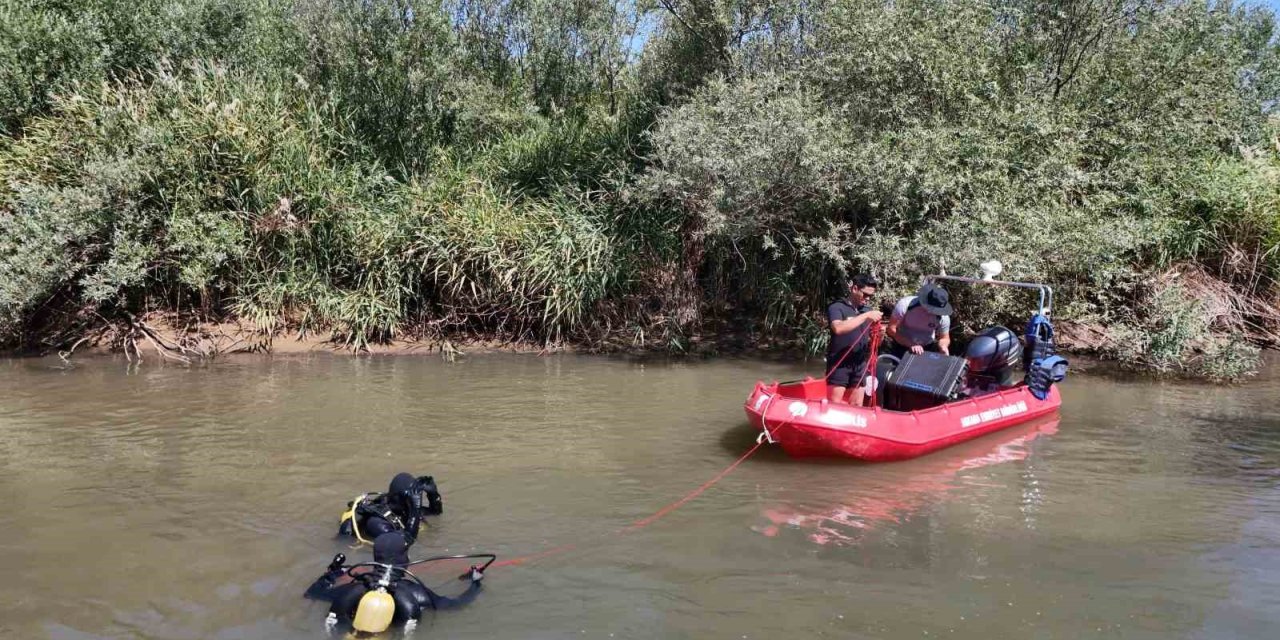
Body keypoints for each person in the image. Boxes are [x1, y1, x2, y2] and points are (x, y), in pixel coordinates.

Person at [305, 532, 484, 633]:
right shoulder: (416, 592)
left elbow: (313, 592)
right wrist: (475, 584)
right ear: (403, 558)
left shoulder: (354, 587)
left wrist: (333, 572)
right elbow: (457, 604)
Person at [338, 472, 443, 545]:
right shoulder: (378, 524)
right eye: (411, 497)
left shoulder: (402, 508)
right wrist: (415, 509)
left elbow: (435, 513)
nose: (416, 499)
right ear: (401, 499)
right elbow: (404, 543)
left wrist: (433, 494)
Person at [826, 274, 883, 405]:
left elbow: (875, 342)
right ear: (855, 288)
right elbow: (838, 328)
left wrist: (880, 334)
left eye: (871, 296)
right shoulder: (837, 307)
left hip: (859, 363)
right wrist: (866, 316)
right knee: (834, 403)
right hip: (839, 362)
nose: (867, 299)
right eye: (865, 294)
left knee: (857, 405)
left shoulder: (867, 310)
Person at [886, 282, 953, 358]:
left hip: (926, 348)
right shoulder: (906, 305)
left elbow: (944, 338)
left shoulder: (943, 317)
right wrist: (911, 344)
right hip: (901, 344)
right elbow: (891, 329)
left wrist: (943, 346)